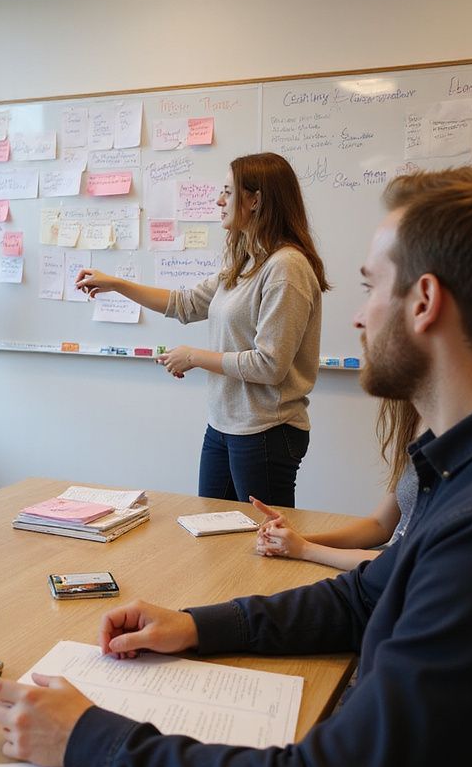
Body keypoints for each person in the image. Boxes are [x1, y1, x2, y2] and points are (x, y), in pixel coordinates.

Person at [0, 167, 472, 767]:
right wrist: (196, 626)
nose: (358, 317)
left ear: (424, 302)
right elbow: (364, 597)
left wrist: (89, 738)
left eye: (370, 286)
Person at [76, 152, 328, 507]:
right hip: (223, 427)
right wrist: (116, 284)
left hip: (266, 431)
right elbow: (185, 303)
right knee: (210, 530)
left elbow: (270, 365)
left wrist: (194, 357)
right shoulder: (246, 262)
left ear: (256, 200)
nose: (219, 201)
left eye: (228, 192)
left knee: (263, 538)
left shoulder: (286, 267)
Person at [252, 399, 420, 571]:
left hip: (398, 576)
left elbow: (408, 564)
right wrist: (293, 540)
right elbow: (380, 524)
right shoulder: (414, 426)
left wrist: (304, 549)